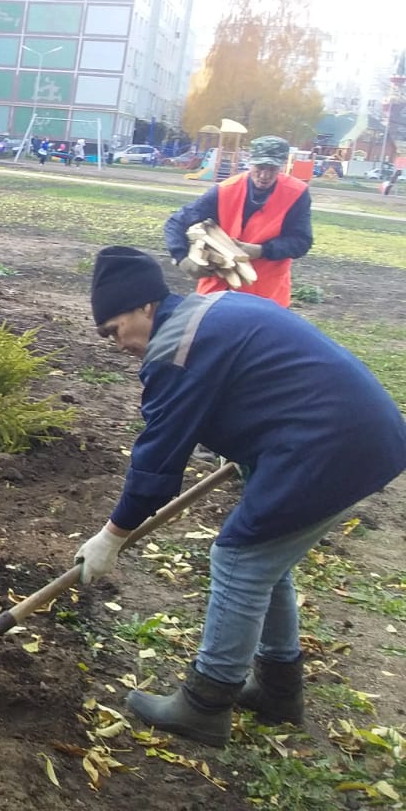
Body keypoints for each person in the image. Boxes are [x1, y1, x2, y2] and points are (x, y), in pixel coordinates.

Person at [77, 247, 406, 747]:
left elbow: (156, 466)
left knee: (238, 559)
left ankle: (205, 703)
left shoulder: (175, 349)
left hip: (332, 445)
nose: (114, 344)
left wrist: (111, 536)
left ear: (145, 307)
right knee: (261, 561)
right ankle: (278, 690)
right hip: (350, 435)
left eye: (113, 330)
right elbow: (267, 381)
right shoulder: (212, 310)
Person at [164, 135, 312, 308]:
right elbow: (176, 223)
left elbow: (301, 241)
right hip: (217, 292)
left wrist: (262, 250)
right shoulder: (226, 190)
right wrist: (183, 259)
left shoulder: (296, 194)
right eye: (259, 167)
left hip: (266, 295)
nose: (264, 175)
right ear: (251, 163)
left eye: (272, 168)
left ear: (282, 166)